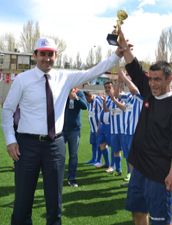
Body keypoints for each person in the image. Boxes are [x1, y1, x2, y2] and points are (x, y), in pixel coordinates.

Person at [1, 37, 121, 225]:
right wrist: (10, 139)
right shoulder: (22, 80)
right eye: (43, 54)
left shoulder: (64, 77)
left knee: (54, 204)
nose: (46, 58)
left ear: (56, 56)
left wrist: (117, 55)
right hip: (27, 145)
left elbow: (92, 72)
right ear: (35, 56)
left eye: (51, 54)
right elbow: (7, 110)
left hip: (55, 145)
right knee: (22, 202)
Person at [118, 29, 172, 225]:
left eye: (157, 79)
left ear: (168, 79)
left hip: (159, 173)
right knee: (137, 211)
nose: (152, 83)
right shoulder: (149, 93)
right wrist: (124, 47)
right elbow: (134, 69)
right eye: (151, 79)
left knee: (159, 220)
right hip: (139, 167)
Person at [62, 88, 87, 187]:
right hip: (61, 129)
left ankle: (71, 179)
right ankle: (57, 177)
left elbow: (84, 106)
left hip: (74, 130)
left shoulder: (79, 92)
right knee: (59, 155)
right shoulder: (62, 91)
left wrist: (76, 98)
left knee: (73, 156)